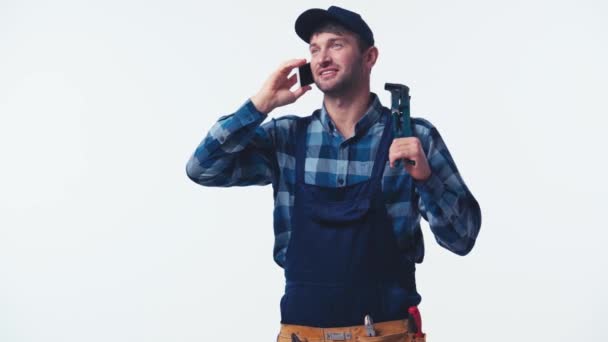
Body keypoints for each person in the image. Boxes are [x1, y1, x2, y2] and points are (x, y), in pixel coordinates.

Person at [186, 5, 481, 341]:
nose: (322, 57)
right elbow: (202, 168)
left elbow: (463, 238)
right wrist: (259, 105)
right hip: (301, 335)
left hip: (387, 335)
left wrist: (427, 181)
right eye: (314, 49)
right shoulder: (285, 139)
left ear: (369, 57)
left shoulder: (413, 139)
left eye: (336, 45)